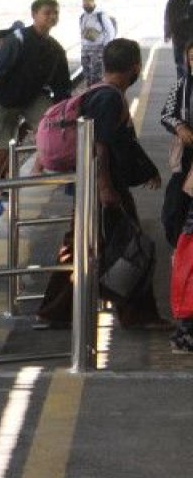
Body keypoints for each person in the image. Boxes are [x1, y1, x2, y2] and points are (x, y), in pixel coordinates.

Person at [38, 39, 165, 329]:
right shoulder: (109, 98)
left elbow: (120, 143)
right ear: (135, 67)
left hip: (90, 185)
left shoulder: (97, 91)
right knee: (132, 246)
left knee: (81, 244)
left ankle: (56, 312)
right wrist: (106, 188)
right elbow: (100, 146)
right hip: (103, 186)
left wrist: (145, 170)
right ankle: (138, 315)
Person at [0, 0, 72, 214]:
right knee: (0, 151)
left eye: (55, 13)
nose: (52, 17)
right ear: (34, 14)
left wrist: (62, 108)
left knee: (50, 125)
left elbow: (62, 83)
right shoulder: (18, 40)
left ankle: (37, 168)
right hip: (4, 97)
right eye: (47, 13)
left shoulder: (55, 48)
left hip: (31, 97)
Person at [161, 41, 193, 245]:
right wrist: (180, 128)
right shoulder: (181, 86)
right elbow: (166, 114)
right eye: (191, 59)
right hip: (187, 155)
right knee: (173, 208)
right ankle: (178, 247)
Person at [79, 0, 118, 86]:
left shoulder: (100, 15)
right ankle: (89, 89)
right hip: (85, 48)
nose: (86, 6)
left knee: (96, 72)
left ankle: (96, 89)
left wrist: (106, 46)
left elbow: (110, 31)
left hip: (98, 48)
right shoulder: (82, 16)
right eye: (84, 4)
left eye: (88, 4)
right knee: (86, 71)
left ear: (94, 4)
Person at [164, 0, 193, 79]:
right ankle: (182, 86)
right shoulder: (174, 0)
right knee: (180, 65)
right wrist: (167, 33)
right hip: (179, 37)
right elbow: (168, 17)